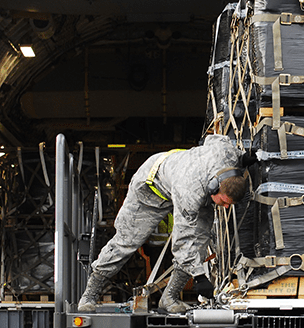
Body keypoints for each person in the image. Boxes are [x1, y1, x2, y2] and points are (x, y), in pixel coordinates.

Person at [78, 134, 248, 313]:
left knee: (200, 242)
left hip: (190, 184)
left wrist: (244, 159)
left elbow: (216, 140)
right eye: (224, 201)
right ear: (215, 187)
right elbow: (183, 240)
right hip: (151, 190)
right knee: (127, 241)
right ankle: (89, 295)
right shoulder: (191, 190)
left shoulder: (227, 156)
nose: (227, 207)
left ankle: (169, 298)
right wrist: (199, 277)